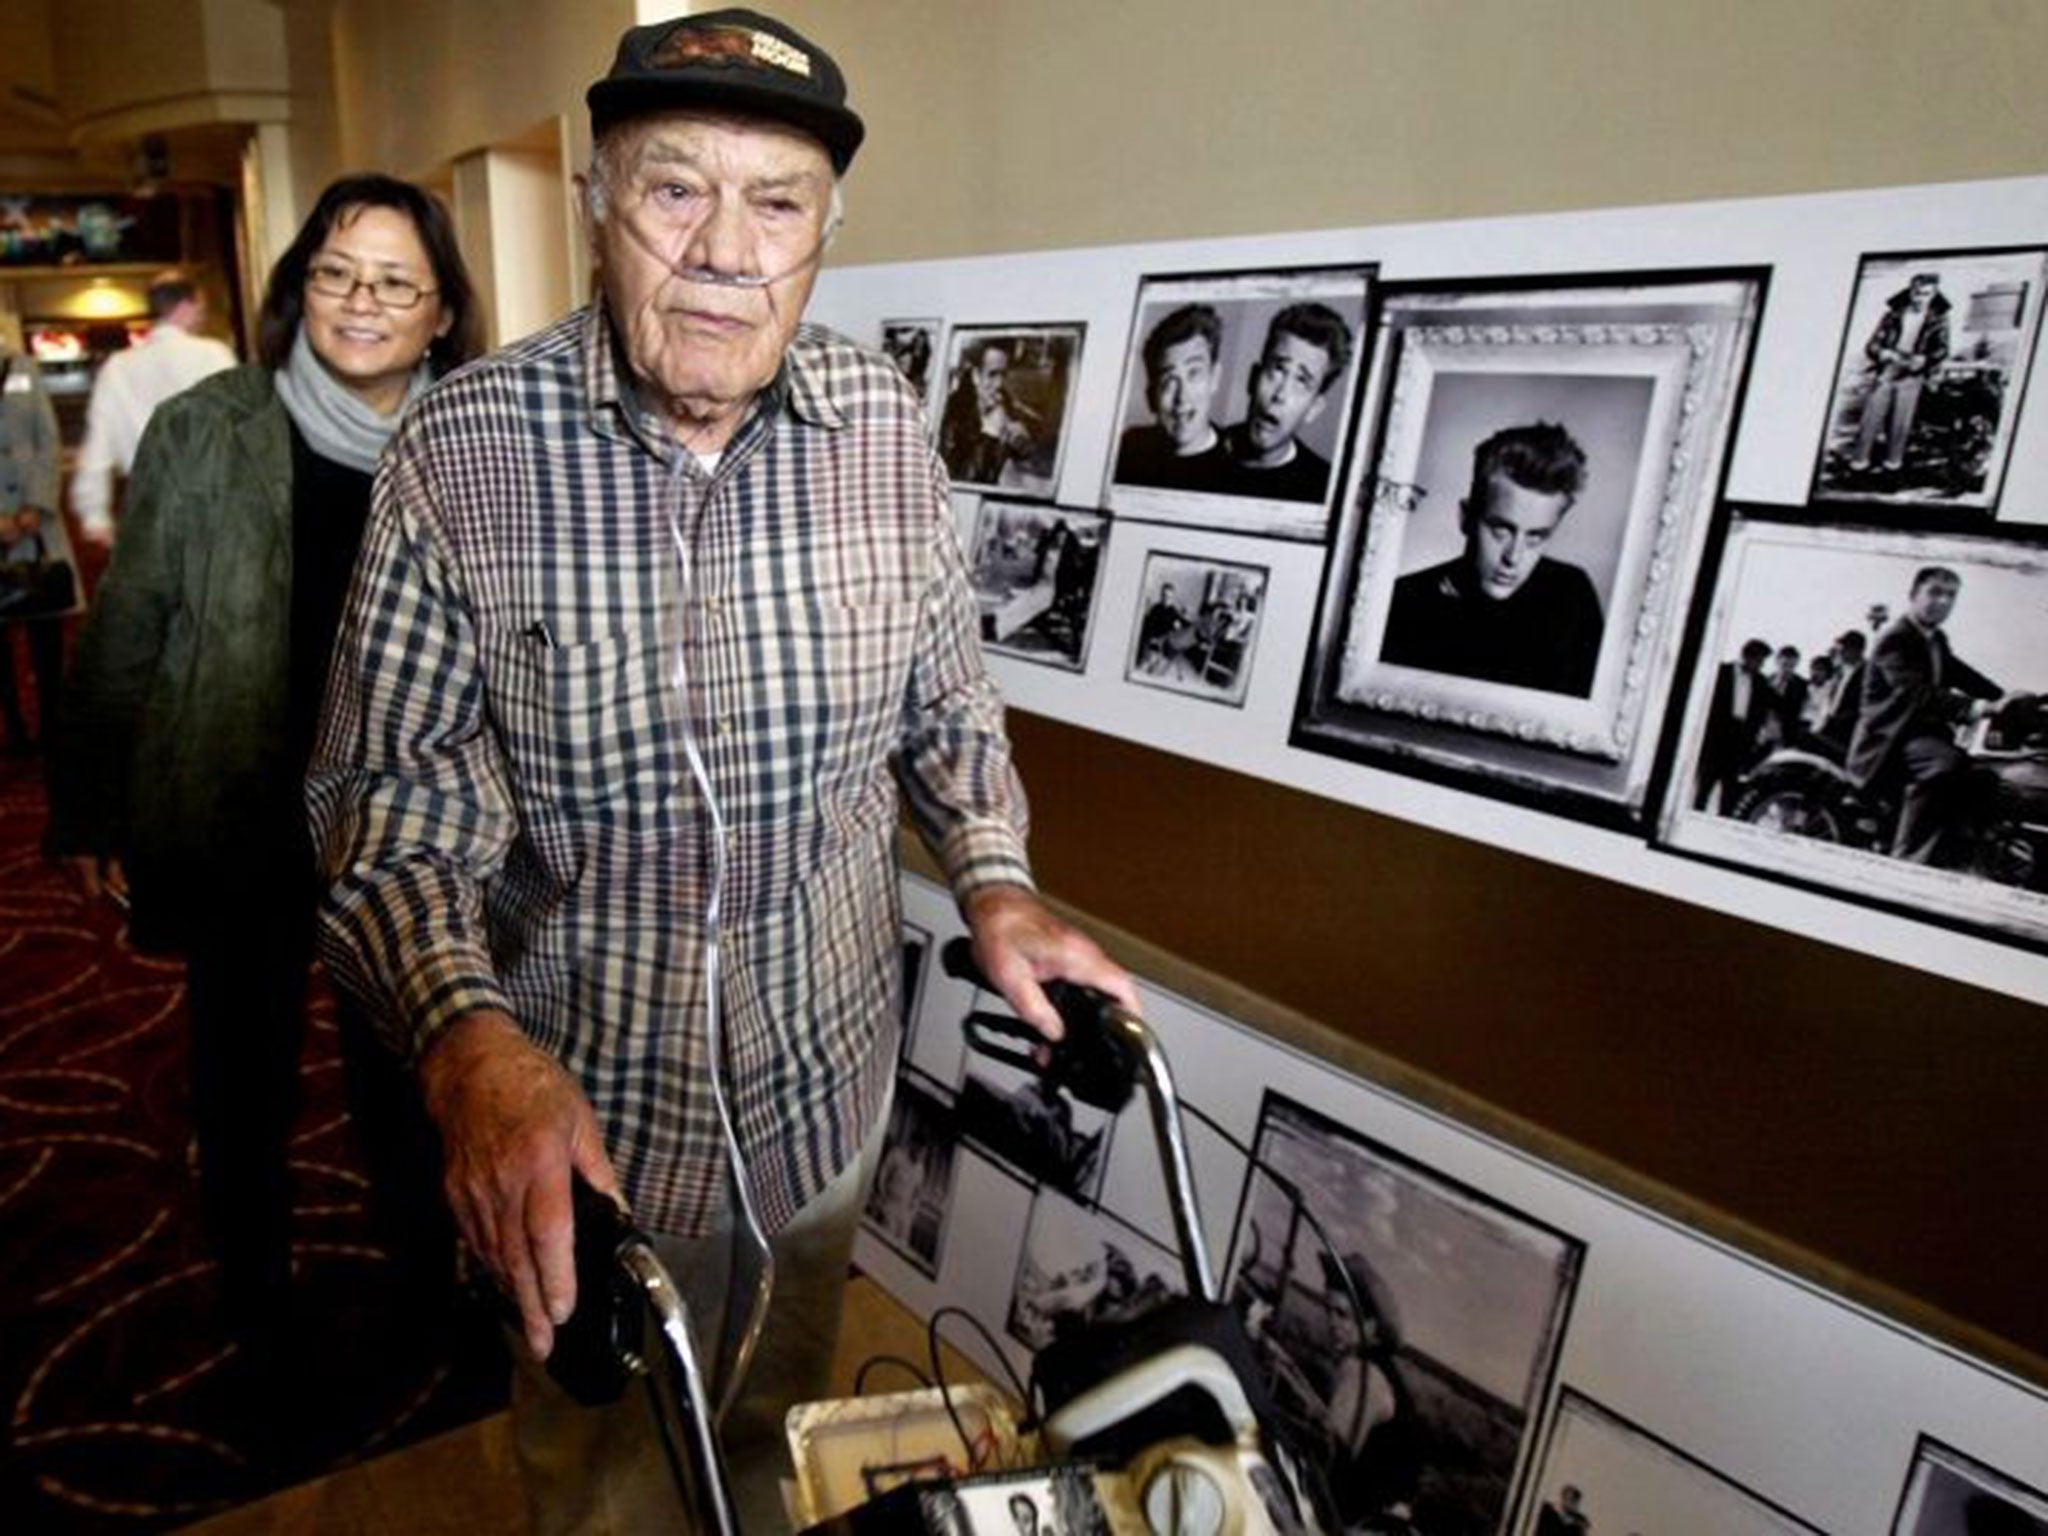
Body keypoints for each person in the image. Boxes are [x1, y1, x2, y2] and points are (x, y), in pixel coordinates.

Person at [302, 12, 1138, 1532]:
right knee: (608, 1487)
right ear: (596, 205)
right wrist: (469, 1048)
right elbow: (389, 813)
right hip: (595, 1142)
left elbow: (946, 700)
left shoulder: (885, 430)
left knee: (775, 1440)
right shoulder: (462, 453)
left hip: (824, 1102)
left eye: (778, 204)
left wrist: (999, 883)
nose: (726, 251)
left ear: (829, 230)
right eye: (675, 190)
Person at [48, 176, 484, 1427]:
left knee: (406, 1079)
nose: (363, 302)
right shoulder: (209, 426)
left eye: (397, 282)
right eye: (339, 273)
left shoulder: (475, 444)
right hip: (239, 809)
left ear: (442, 311)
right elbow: (129, 622)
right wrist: (87, 802)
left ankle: (428, 1294)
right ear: (300, 286)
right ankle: (255, 1319)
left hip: (406, 824)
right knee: (240, 1084)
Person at [1378, 421, 1605, 696]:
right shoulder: (1402, 604)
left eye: (1536, 536)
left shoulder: (1572, 596)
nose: (1514, 557)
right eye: (1502, 530)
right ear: (1466, 518)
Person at [1846, 565, 2005, 866]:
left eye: (1950, 596)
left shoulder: (1935, 638)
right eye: (1934, 592)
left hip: (1920, 735)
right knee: (1943, 765)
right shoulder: (1895, 637)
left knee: (1985, 776)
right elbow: (1914, 694)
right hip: (1889, 738)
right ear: (1913, 595)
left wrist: (2004, 696)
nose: (1943, 601)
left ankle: (1964, 855)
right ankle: (1908, 859)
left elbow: (1961, 673)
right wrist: (1975, 708)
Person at [69, 271, 237, 548]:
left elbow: (97, 447)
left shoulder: (118, 367)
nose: (203, 317)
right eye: (201, 309)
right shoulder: (214, 354)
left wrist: (94, 515)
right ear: (185, 307)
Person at [0, 342, 68, 759]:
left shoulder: (24, 368)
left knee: (47, 634)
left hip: (35, 521)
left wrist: (36, 505)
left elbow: (49, 439)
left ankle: (52, 726)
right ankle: (15, 730)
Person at [1218, 301, 1352, 502]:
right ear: (1253, 378)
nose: (1280, 394)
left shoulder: (1324, 491)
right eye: (1278, 370)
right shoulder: (1197, 451)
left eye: (1301, 380)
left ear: (1313, 409)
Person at [1112, 303, 1230, 490]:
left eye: (1194, 373)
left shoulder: (1238, 464)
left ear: (1214, 378)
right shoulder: (1128, 450)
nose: (1182, 397)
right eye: (1169, 380)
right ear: (1152, 396)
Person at [1847, 270, 1949, 476]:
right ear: (1910, 291)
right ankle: (1858, 465)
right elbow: (1872, 344)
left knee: (1900, 423)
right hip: (1888, 369)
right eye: (1917, 292)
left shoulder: (1939, 319)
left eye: (1926, 294)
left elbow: (1942, 349)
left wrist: (1925, 359)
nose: (1920, 298)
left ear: (1934, 294)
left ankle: (1892, 466)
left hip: (1913, 372)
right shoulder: (1892, 315)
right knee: (1870, 418)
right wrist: (1882, 352)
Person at [941, 336, 1041, 485]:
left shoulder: (1005, 400)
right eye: (992, 374)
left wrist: (1020, 442)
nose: (999, 384)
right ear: (976, 376)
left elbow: (1027, 451)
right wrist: (989, 436)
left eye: (1004, 374)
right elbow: (959, 481)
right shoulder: (954, 410)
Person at [1695, 638, 1778, 812]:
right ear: (1747, 656)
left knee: (1730, 793)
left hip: (1741, 741)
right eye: (1760, 660)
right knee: (1704, 788)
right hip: (1716, 737)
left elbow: (1773, 706)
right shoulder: (1720, 672)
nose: (1761, 665)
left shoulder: (1761, 682)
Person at [1815, 628, 1868, 756]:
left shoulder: (1868, 672)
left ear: (1856, 650)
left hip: (1849, 732)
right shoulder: (1840, 673)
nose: (1840, 652)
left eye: (1844, 648)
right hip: (1830, 728)